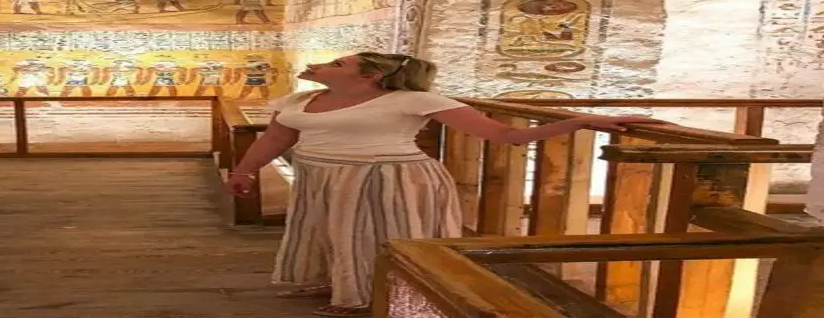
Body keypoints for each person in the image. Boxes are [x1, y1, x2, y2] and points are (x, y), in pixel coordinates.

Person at [224, 52, 663, 317]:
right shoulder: (301, 99)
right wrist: (244, 171)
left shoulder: (414, 100)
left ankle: (365, 297)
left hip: (390, 176)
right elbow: (277, 139)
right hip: (321, 174)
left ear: (370, 76)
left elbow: (505, 135)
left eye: (338, 63)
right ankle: (343, 282)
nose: (320, 65)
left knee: (382, 236)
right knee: (332, 231)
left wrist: (580, 121)